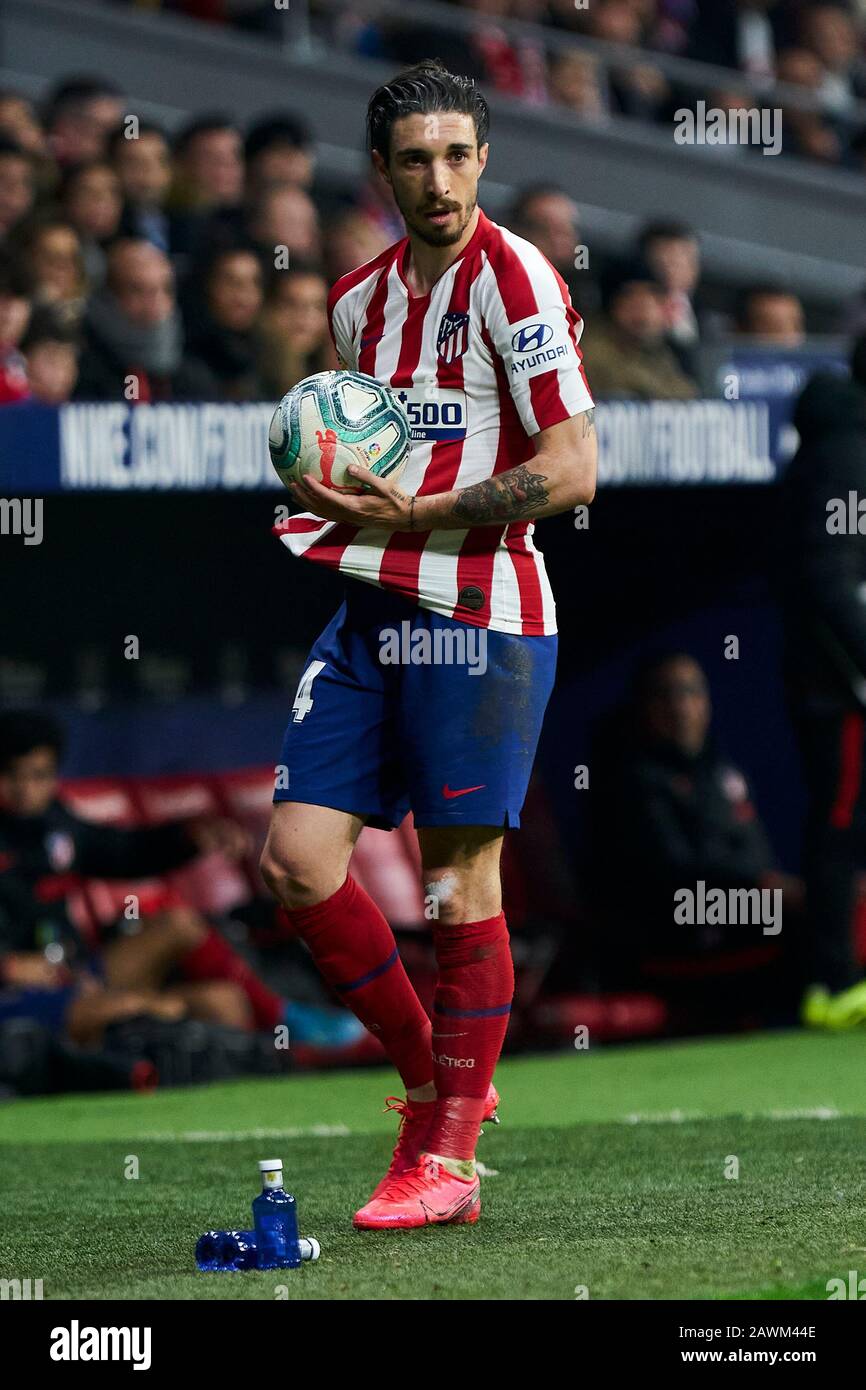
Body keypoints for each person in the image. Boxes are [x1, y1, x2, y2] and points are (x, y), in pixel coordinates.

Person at [259, 60, 597, 1231]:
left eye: (457, 155)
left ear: (483, 159)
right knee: (297, 866)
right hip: (369, 606)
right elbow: (371, 453)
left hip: (483, 613)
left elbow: (571, 467)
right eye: (414, 158)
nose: (438, 178)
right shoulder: (356, 302)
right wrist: (337, 485)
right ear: (382, 170)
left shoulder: (517, 281)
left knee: (457, 890)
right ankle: (429, 1086)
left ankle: (446, 1160)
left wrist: (421, 517)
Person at [0, 711, 363, 1050]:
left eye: (40, 776)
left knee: (219, 994)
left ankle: (283, 1017)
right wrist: (10, 966)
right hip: (19, 995)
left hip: (75, 976)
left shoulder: (54, 821)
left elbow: (123, 852)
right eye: (14, 775)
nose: (27, 789)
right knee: (147, 1009)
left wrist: (188, 838)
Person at [588, 653, 801, 1022]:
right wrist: (763, 888)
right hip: (674, 924)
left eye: (691, 692)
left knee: (835, 903)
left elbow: (755, 855)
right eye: (665, 694)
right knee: (810, 917)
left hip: (734, 910)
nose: (681, 707)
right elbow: (674, 871)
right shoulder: (629, 780)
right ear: (643, 706)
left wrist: (774, 887)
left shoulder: (721, 770)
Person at [780, 334, 866, 1028]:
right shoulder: (846, 449)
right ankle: (831, 982)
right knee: (839, 824)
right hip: (839, 682)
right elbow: (829, 578)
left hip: (840, 674)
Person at [74, 239, 215, 403]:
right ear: (108, 297)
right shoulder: (81, 372)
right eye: (138, 290)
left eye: (165, 290)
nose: (155, 303)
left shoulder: (195, 378)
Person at [580, 259, 698, 400]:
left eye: (652, 299)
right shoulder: (591, 349)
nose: (644, 312)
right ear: (612, 305)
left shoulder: (658, 349)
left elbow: (687, 393)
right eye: (631, 299)